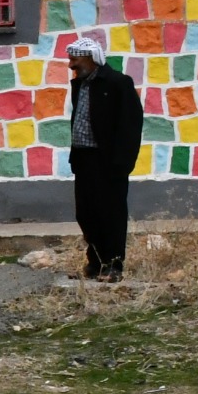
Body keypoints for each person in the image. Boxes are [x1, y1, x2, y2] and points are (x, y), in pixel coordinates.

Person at [65, 33, 145, 281]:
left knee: (110, 213)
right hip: (83, 160)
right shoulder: (80, 84)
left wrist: (122, 163)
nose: (71, 66)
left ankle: (113, 266)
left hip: (109, 162)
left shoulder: (119, 83)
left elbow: (131, 126)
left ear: (91, 58)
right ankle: (95, 263)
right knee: (86, 213)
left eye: (75, 61)